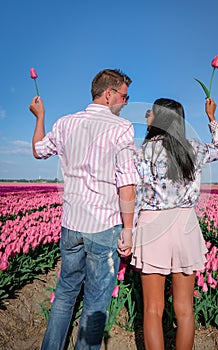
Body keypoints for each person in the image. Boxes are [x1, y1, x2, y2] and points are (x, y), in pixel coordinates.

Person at [29, 69, 136, 350]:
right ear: (109, 94)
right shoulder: (121, 127)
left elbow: (39, 150)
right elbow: (126, 183)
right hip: (103, 226)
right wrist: (128, 229)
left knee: (65, 293)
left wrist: (40, 117)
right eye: (124, 96)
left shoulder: (65, 124)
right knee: (96, 302)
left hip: (71, 224)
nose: (125, 102)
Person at [131, 97, 218, 350]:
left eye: (151, 113)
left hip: (152, 226)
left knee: (152, 310)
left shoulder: (140, 152)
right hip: (186, 225)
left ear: (160, 118)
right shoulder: (194, 148)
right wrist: (211, 117)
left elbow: (135, 196)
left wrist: (128, 231)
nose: (146, 116)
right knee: (185, 310)